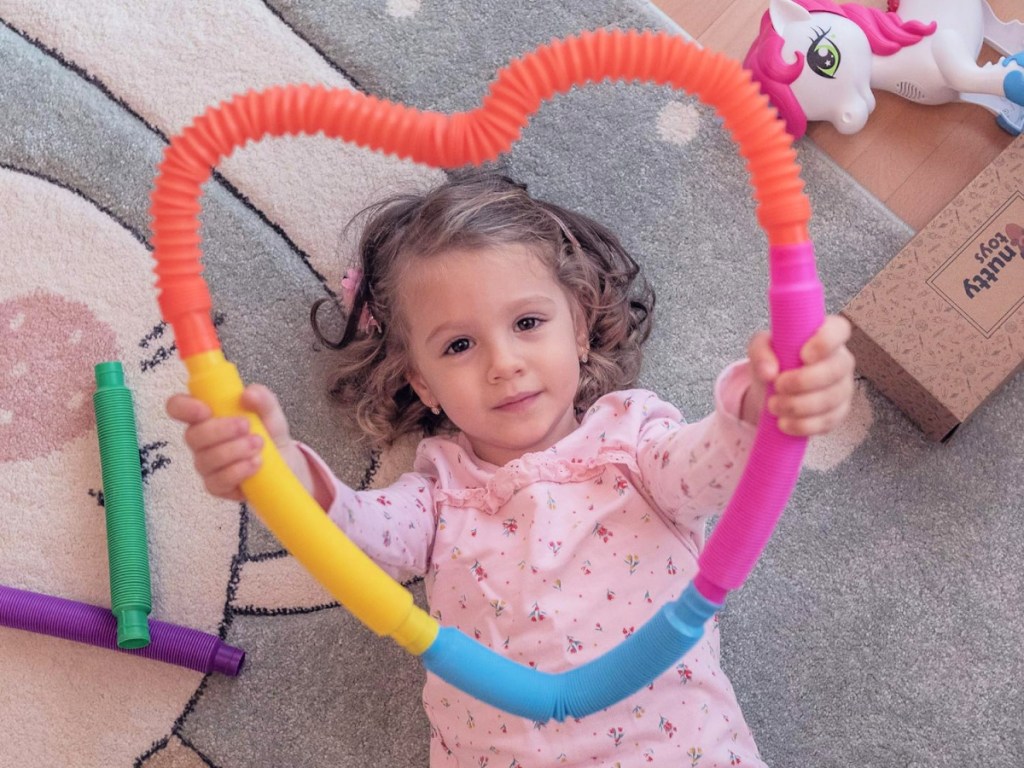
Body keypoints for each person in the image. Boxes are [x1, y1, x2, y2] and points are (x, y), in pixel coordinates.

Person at [167, 171, 854, 767]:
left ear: (579, 327)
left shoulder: (632, 441)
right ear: (425, 384)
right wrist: (276, 468)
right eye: (460, 345)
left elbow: (714, 466)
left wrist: (768, 403)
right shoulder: (437, 496)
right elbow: (352, 536)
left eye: (528, 323)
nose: (503, 363)